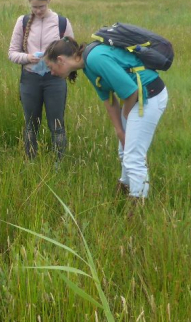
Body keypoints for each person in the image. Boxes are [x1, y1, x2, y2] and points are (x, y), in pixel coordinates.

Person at [43, 37, 168, 200]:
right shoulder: (87, 65)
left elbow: (131, 91)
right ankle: (124, 189)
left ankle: (136, 209)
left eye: (50, 67)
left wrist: (126, 117)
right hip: (137, 99)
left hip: (149, 96)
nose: (52, 73)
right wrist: (119, 131)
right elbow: (109, 100)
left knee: (134, 157)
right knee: (124, 151)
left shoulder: (94, 59)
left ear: (60, 60)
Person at [8, 0, 74, 161]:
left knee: (57, 125)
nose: (38, 11)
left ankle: (58, 164)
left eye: (41, 6)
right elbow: (12, 53)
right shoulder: (22, 22)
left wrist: (56, 62)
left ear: (49, 1)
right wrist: (28, 58)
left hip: (55, 81)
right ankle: (30, 162)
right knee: (31, 125)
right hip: (30, 80)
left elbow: (72, 55)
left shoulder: (62, 23)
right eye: (34, 7)